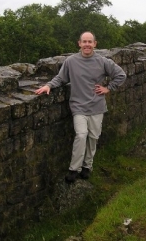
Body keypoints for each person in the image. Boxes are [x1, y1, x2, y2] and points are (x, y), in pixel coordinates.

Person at [35, 31, 126, 183]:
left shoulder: (103, 61)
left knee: (93, 138)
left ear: (95, 44)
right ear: (79, 44)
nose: (87, 45)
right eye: (84, 42)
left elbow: (121, 75)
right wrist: (48, 86)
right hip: (78, 105)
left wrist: (108, 88)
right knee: (81, 135)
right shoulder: (71, 61)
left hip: (97, 105)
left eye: (90, 42)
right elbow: (61, 78)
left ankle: (87, 166)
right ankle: (74, 169)